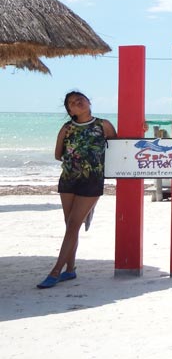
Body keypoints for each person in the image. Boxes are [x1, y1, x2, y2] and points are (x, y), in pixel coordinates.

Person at [37, 91, 117, 289]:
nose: (77, 102)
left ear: (89, 101)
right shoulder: (67, 128)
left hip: (92, 181)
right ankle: (70, 269)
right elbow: (58, 155)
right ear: (70, 111)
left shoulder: (103, 125)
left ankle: (55, 271)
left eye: (80, 98)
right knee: (70, 225)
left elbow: (118, 148)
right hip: (68, 180)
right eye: (72, 102)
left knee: (73, 225)